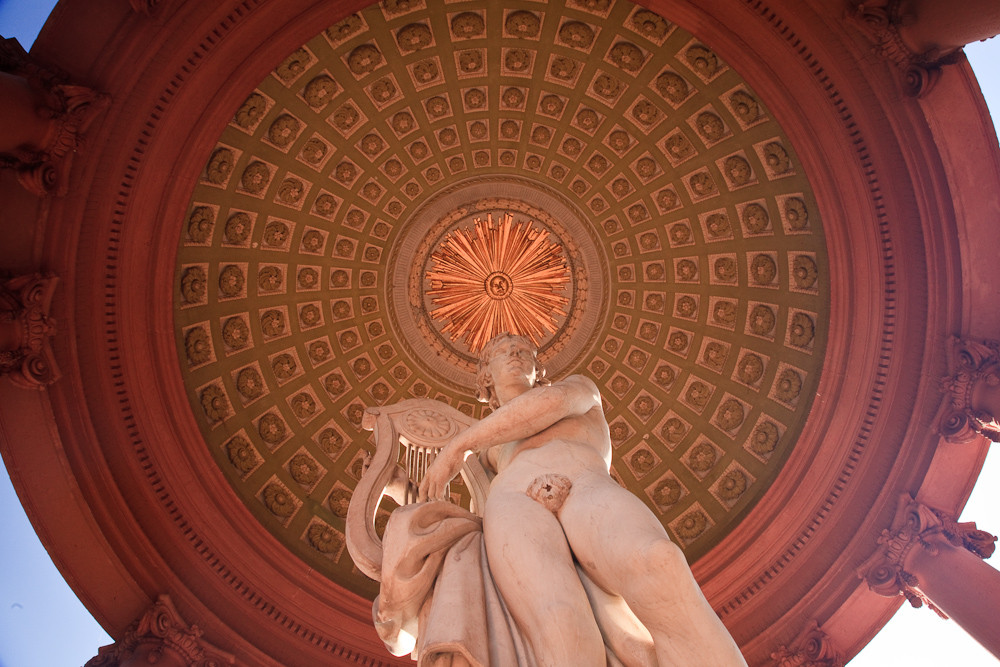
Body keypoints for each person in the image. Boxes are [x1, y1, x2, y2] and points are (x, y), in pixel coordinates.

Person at [416, 333, 747, 666]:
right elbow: (472, 520)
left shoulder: (578, 388)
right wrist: (403, 491)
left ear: (537, 367)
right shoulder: (488, 451)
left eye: (522, 351)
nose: (515, 356)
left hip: (585, 483)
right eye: (503, 352)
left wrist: (457, 446)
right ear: (486, 375)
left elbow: (546, 406)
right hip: (515, 502)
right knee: (561, 624)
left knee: (659, 563)